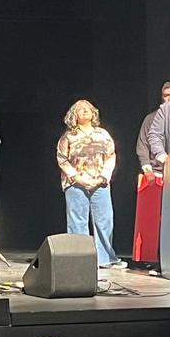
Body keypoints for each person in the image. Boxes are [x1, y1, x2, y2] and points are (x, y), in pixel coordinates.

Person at [56, 99, 123, 269]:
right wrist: (77, 177)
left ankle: (105, 258)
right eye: (80, 109)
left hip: (99, 183)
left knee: (105, 220)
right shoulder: (69, 136)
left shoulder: (103, 134)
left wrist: (103, 176)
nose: (85, 111)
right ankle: (80, 258)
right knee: (77, 222)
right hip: (76, 183)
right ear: (74, 115)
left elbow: (111, 156)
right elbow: (62, 159)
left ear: (94, 113)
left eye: (88, 109)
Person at [132, 81, 170, 264]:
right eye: (166, 96)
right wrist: (147, 168)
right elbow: (142, 145)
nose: (169, 99)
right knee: (154, 220)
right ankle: (154, 259)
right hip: (157, 174)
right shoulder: (151, 118)